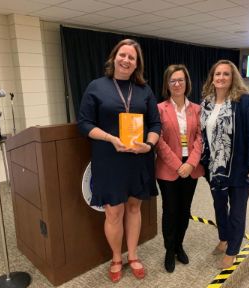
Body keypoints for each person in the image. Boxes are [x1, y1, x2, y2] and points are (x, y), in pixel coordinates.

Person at [77, 39, 161, 283]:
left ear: (137, 64)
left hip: (138, 158)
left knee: (134, 207)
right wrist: (110, 138)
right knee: (113, 212)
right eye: (122, 55)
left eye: (132, 58)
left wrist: (149, 144)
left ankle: (133, 255)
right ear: (114, 58)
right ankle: (117, 257)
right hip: (109, 158)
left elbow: (155, 124)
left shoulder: (145, 90)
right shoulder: (96, 86)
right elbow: (84, 124)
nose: (126, 60)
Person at [200, 59, 249, 269]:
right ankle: (224, 237)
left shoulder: (244, 100)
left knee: (237, 210)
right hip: (214, 168)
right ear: (212, 78)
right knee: (219, 206)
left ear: (233, 77)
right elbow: (202, 135)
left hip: (238, 167)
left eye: (226, 74)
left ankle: (233, 250)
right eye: (217, 74)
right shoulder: (206, 102)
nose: (221, 78)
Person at [155, 64, 204, 272]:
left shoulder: (197, 109)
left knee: (184, 210)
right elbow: (158, 140)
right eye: (173, 80)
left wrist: (191, 163)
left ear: (186, 83)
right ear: (167, 84)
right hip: (168, 168)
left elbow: (200, 138)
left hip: (191, 167)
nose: (177, 84)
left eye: (180, 80)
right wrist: (178, 165)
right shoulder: (159, 109)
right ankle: (169, 249)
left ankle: (179, 246)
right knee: (170, 210)